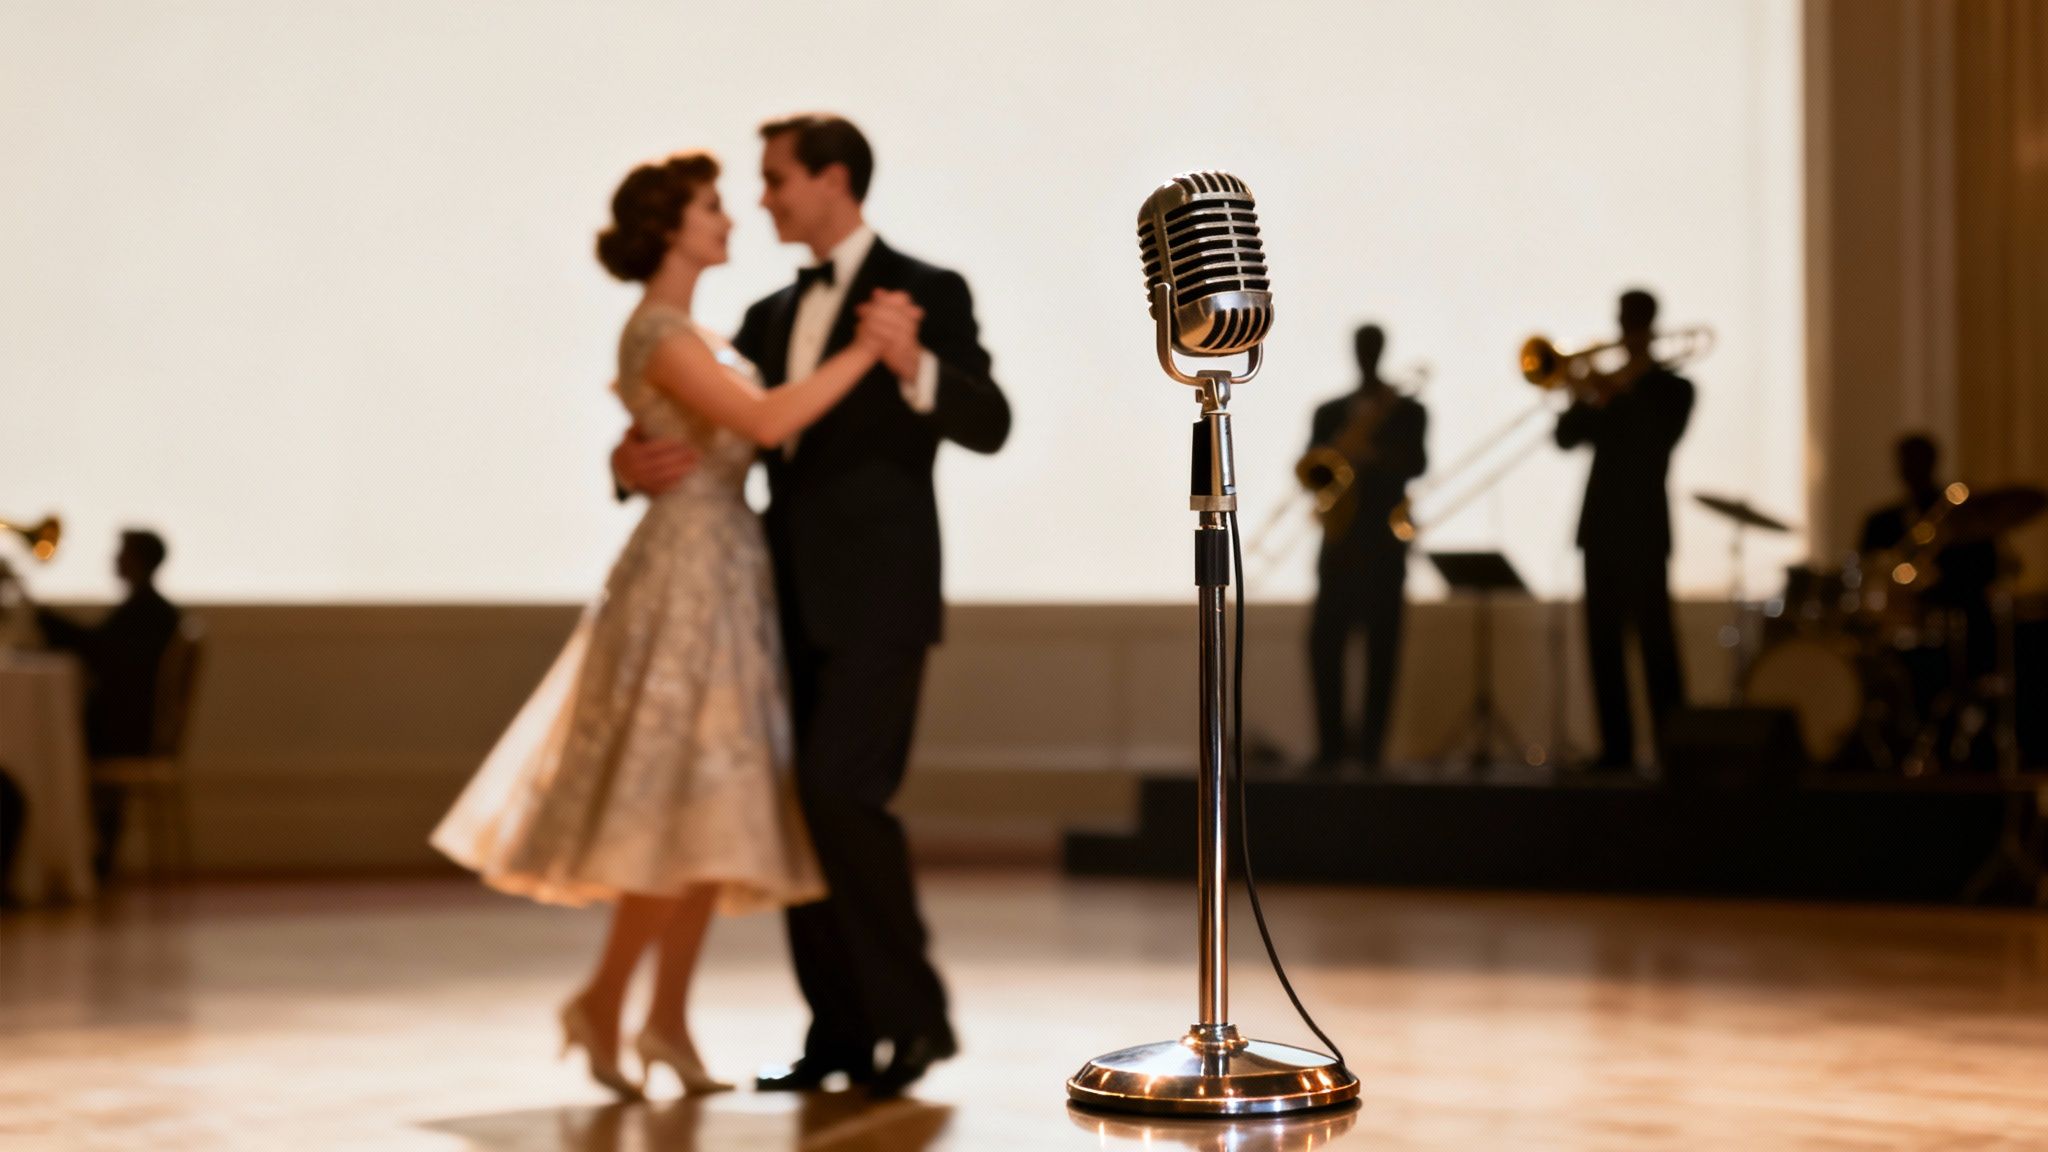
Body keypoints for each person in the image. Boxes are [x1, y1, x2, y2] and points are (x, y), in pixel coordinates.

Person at [432, 150, 926, 1099]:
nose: (730, 216)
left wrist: (634, 455)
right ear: (670, 227)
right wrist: (869, 352)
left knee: (714, 806)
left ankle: (660, 1021)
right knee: (671, 801)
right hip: (686, 581)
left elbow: (702, 433)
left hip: (730, 573)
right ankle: (607, 1001)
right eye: (710, 206)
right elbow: (768, 423)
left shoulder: (698, 331)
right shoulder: (660, 331)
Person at [613, 114, 1010, 1098]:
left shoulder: (927, 290)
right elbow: (707, 432)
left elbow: (990, 422)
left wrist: (913, 363)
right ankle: (836, 1034)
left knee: (843, 795)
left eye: (777, 180)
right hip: (767, 600)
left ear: (833, 180)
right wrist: (623, 465)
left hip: (879, 599)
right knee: (798, 813)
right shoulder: (761, 315)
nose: (763, 198)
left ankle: (912, 1022)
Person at [1554, 289, 1694, 772]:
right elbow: (1566, 436)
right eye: (1621, 319)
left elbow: (1656, 440)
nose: (1623, 328)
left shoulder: (1674, 388)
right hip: (1599, 531)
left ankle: (1673, 753)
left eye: (1631, 319)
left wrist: (1618, 392)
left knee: (1658, 647)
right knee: (1603, 647)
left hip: (1644, 531)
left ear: (1649, 323)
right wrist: (1584, 394)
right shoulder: (1606, 389)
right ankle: (1616, 752)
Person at [1303, 324, 1426, 771]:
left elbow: (1416, 462)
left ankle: (1372, 751)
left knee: (1382, 651)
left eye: (1371, 349)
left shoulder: (1408, 411)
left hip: (1382, 546)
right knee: (1323, 647)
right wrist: (1343, 449)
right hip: (1338, 545)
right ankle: (1330, 748)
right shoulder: (1330, 412)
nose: (1365, 356)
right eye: (1360, 348)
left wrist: (1369, 452)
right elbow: (1313, 467)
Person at [34, 530, 181, 878]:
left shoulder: (148, 611)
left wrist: (43, 616)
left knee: (50, 744)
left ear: (139, 561)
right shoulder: (146, 608)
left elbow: (101, 651)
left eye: (122, 553)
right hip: (126, 726)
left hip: (126, 733)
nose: (114, 560)